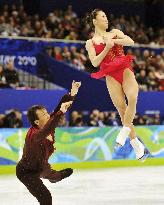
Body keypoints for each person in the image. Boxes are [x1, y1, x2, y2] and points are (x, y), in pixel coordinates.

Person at [85, 9, 146, 160]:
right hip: (110, 74)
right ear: (95, 21)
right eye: (103, 16)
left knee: (132, 97)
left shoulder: (115, 32)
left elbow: (130, 41)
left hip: (124, 67)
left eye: (106, 16)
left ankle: (125, 130)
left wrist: (114, 41)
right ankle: (135, 143)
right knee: (121, 108)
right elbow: (94, 62)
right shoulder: (90, 42)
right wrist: (106, 47)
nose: (106, 19)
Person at [16, 80, 81, 205]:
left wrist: (72, 93)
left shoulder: (48, 123)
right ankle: (57, 176)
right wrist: (60, 112)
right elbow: (50, 126)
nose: (48, 116)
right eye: (44, 114)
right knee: (46, 197)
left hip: (41, 166)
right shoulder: (34, 135)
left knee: (53, 176)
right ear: (36, 122)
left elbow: (59, 109)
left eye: (47, 113)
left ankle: (57, 177)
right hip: (27, 172)